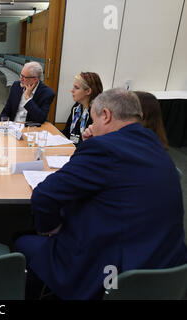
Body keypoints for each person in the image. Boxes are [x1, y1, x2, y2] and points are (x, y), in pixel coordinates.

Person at [15, 88, 187, 300]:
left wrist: (53, 228)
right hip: (166, 268)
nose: (92, 127)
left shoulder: (106, 148)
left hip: (114, 274)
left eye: (94, 121)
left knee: (23, 242)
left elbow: (45, 196)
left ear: (106, 115)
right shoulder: (156, 146)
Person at [61, 72, 103, 146]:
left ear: (88, 91)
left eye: (76, 88)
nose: (72, 90)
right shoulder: (76, 107)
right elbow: (66, 132)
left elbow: (91, 143)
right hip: (71, 148)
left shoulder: (96, 112)